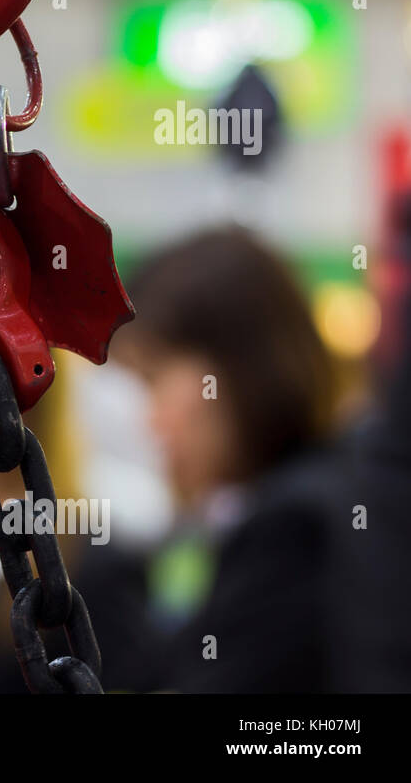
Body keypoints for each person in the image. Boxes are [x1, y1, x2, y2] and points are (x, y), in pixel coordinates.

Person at [110, 225, 349, 692]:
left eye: (155, 380)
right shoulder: (311, 498)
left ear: (233, 367)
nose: (151, 422)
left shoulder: (296, 527)